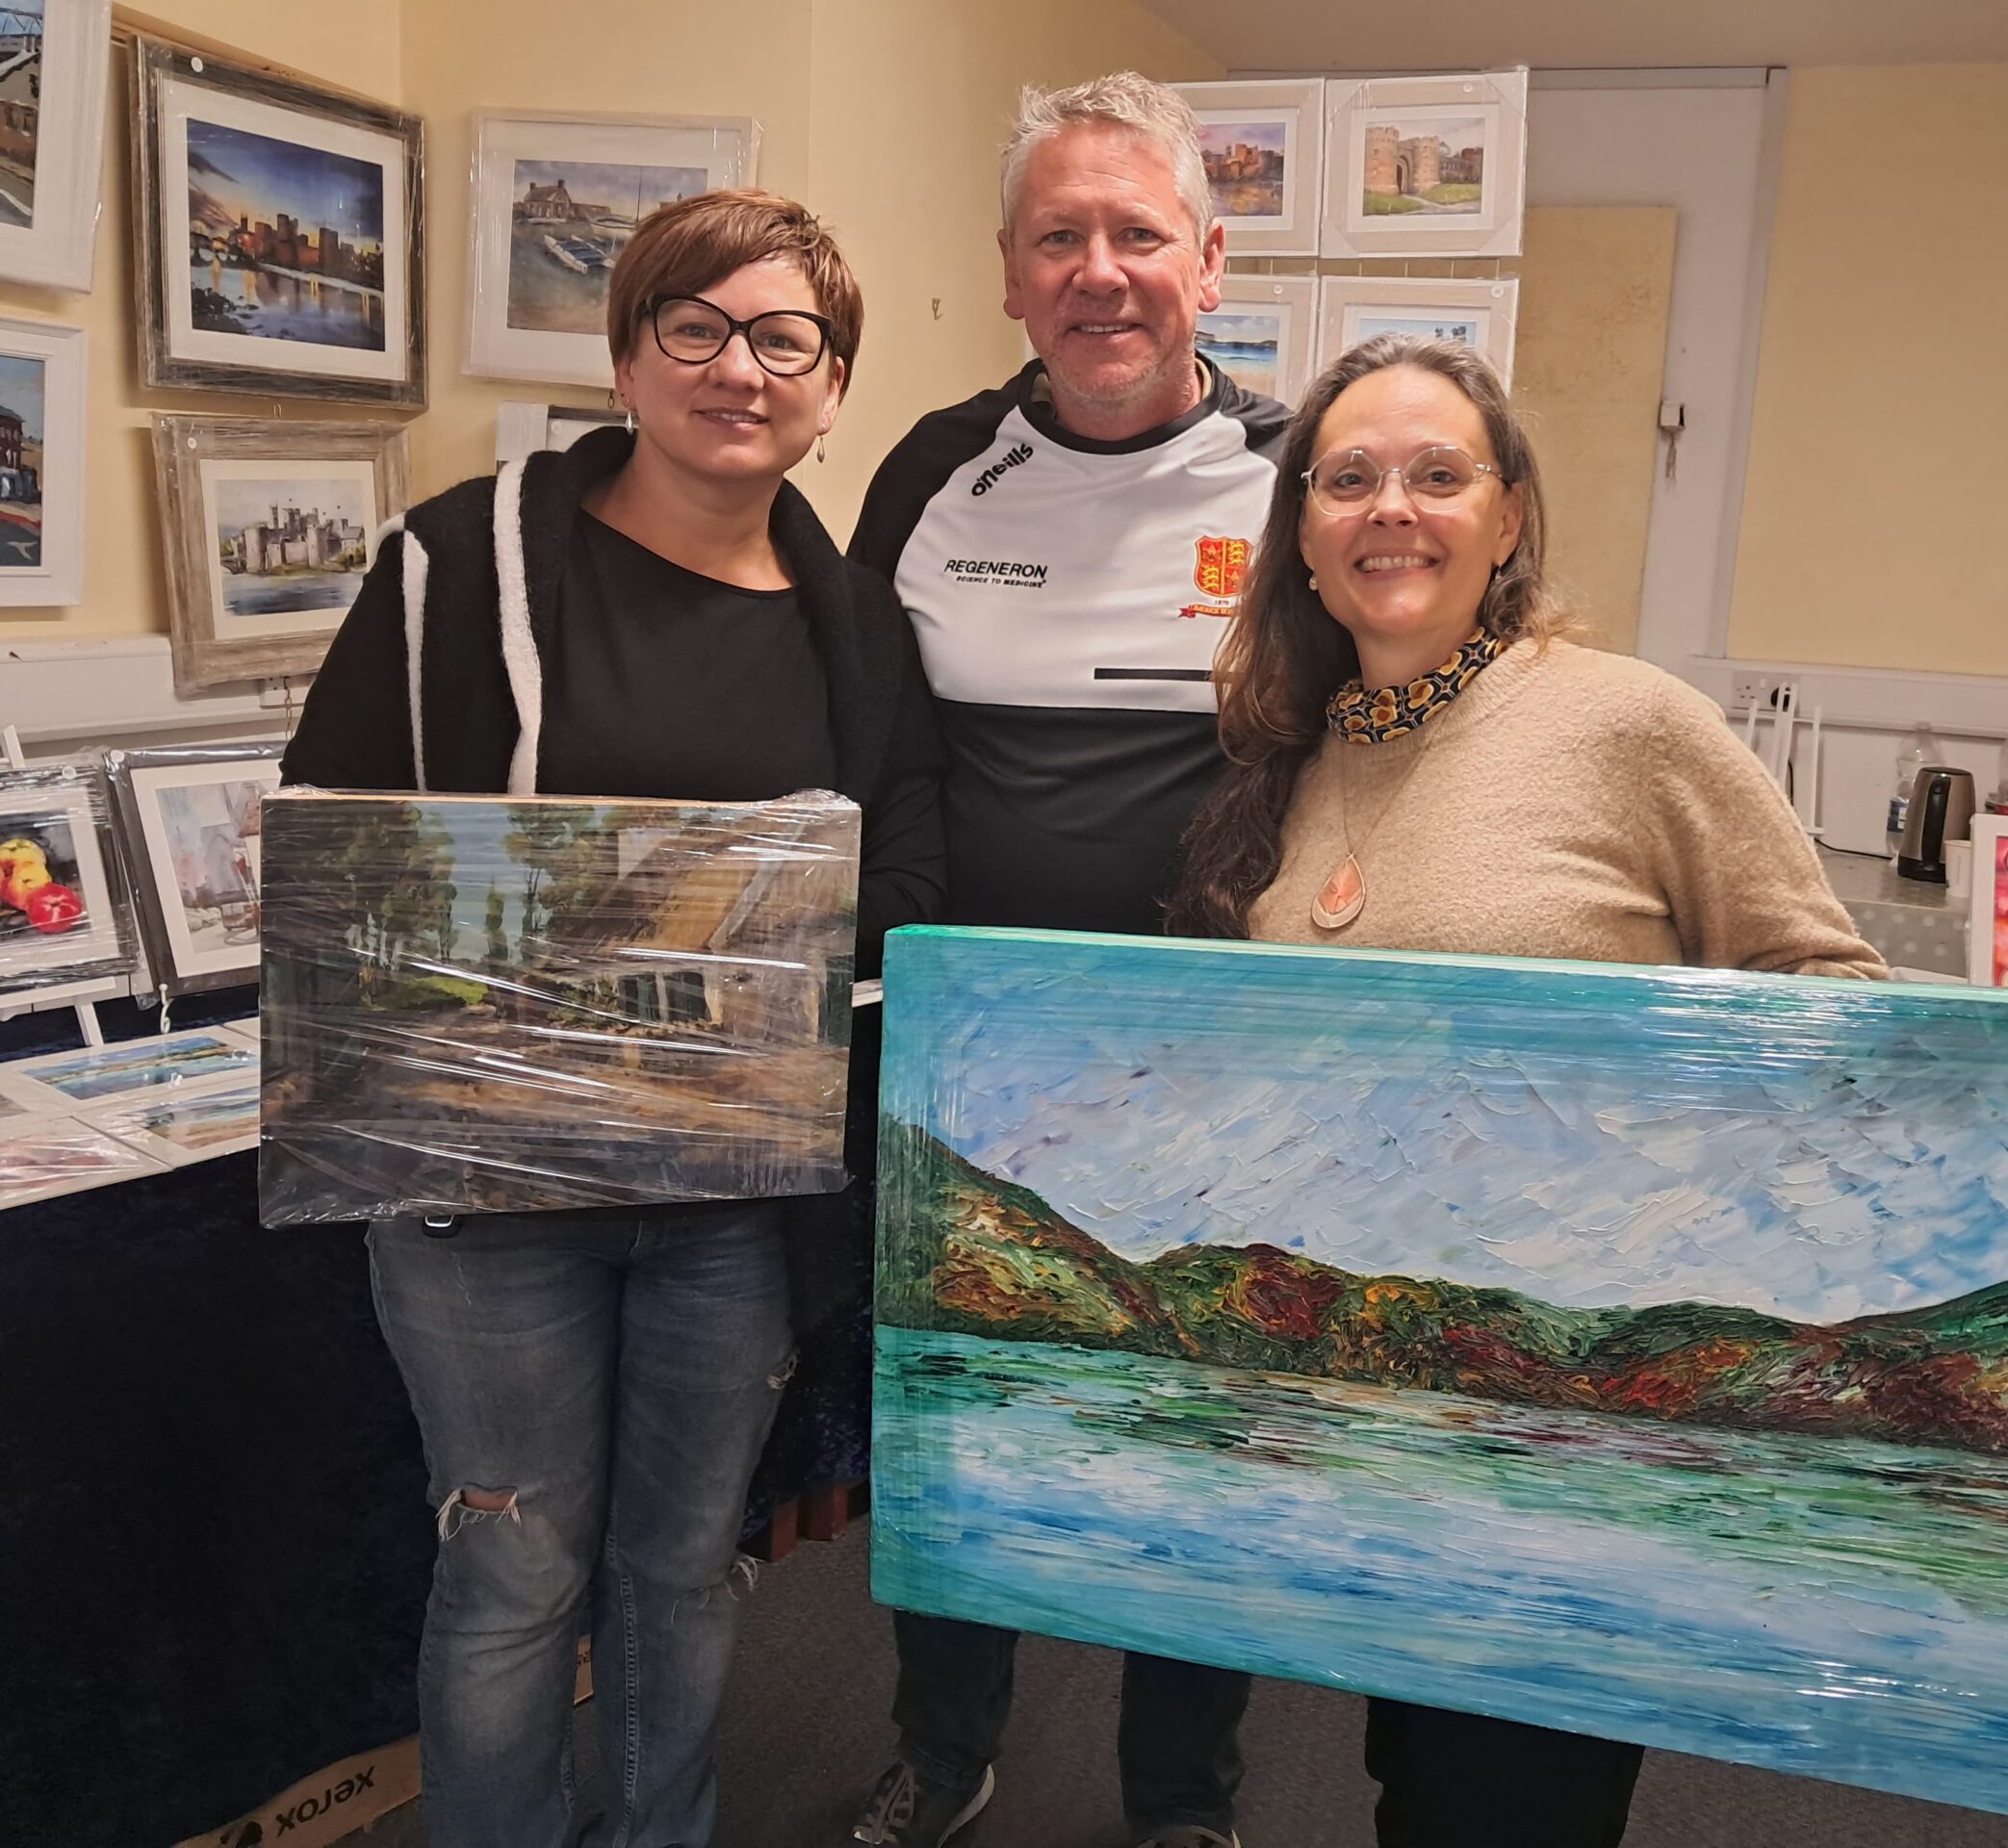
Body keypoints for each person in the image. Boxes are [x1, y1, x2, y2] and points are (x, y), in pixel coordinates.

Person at [281, 190, 943, 1848]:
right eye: (697, 328)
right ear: (627, 354)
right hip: (488, 1199)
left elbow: (896, 878)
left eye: (787, 337)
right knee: (512, 1567)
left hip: (727, 1202)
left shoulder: (855, 625)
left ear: (834, 382)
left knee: (681, 1565)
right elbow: (336, 830)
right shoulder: (460, 560)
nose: (742, 368)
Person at [1168, 332, 1886, 1848]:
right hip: (1369, 1417)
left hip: (1577, 1420)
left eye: (1440, 475)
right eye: (1348, 479)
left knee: (1508, 1805)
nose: (1392, 511)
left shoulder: (1629, 723)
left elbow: (1831, 1001)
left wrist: (1659, 1194)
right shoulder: (1282, 757)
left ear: (1508, 519)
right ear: (1299, 529)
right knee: (1411, 1782)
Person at [844, 70, 1283, 1848]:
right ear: (1011, 274)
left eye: (1137, 234)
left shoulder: (1301, 469)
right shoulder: (932, 471)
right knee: (952, 1428)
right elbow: (870, 754)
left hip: (1222, 1067)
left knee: (1199, 1443)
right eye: (1059, 238)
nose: (1100, 273)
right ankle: (944, 1754)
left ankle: (1183, 1800)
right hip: (966, 1058)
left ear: (1209, 257)